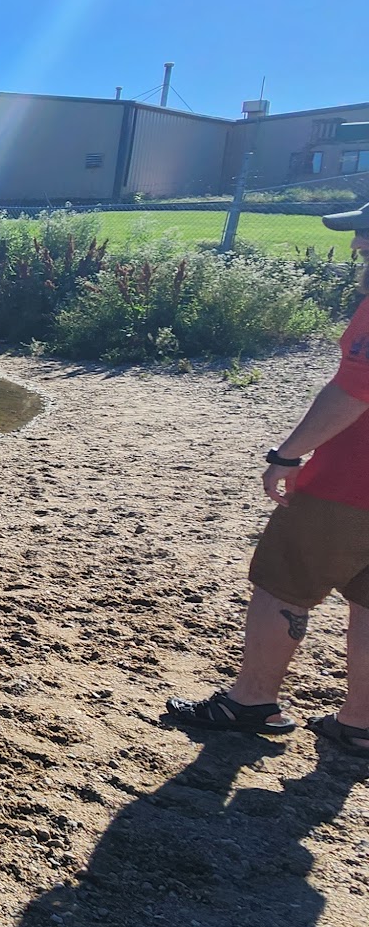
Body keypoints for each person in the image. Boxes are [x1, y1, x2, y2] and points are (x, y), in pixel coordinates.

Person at [167, 204, 369, 752]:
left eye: (365, 235)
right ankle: (359, 724)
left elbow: (354, 392)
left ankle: (251, 701)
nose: (357, 245)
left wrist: (287, 455)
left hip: (348, 486)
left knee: (284, 585)